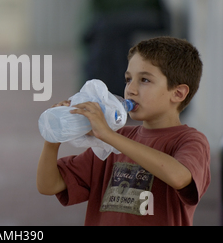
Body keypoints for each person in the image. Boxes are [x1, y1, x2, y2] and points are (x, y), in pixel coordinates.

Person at [37, 36, 210, 226]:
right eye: (128, 79)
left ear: (178, 93)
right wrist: (53, 137)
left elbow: (180, 177)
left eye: (144, 80)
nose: (131, 90)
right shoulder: (116, 138)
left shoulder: (190, 140)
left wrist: (108, 135)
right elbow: (48, 185)